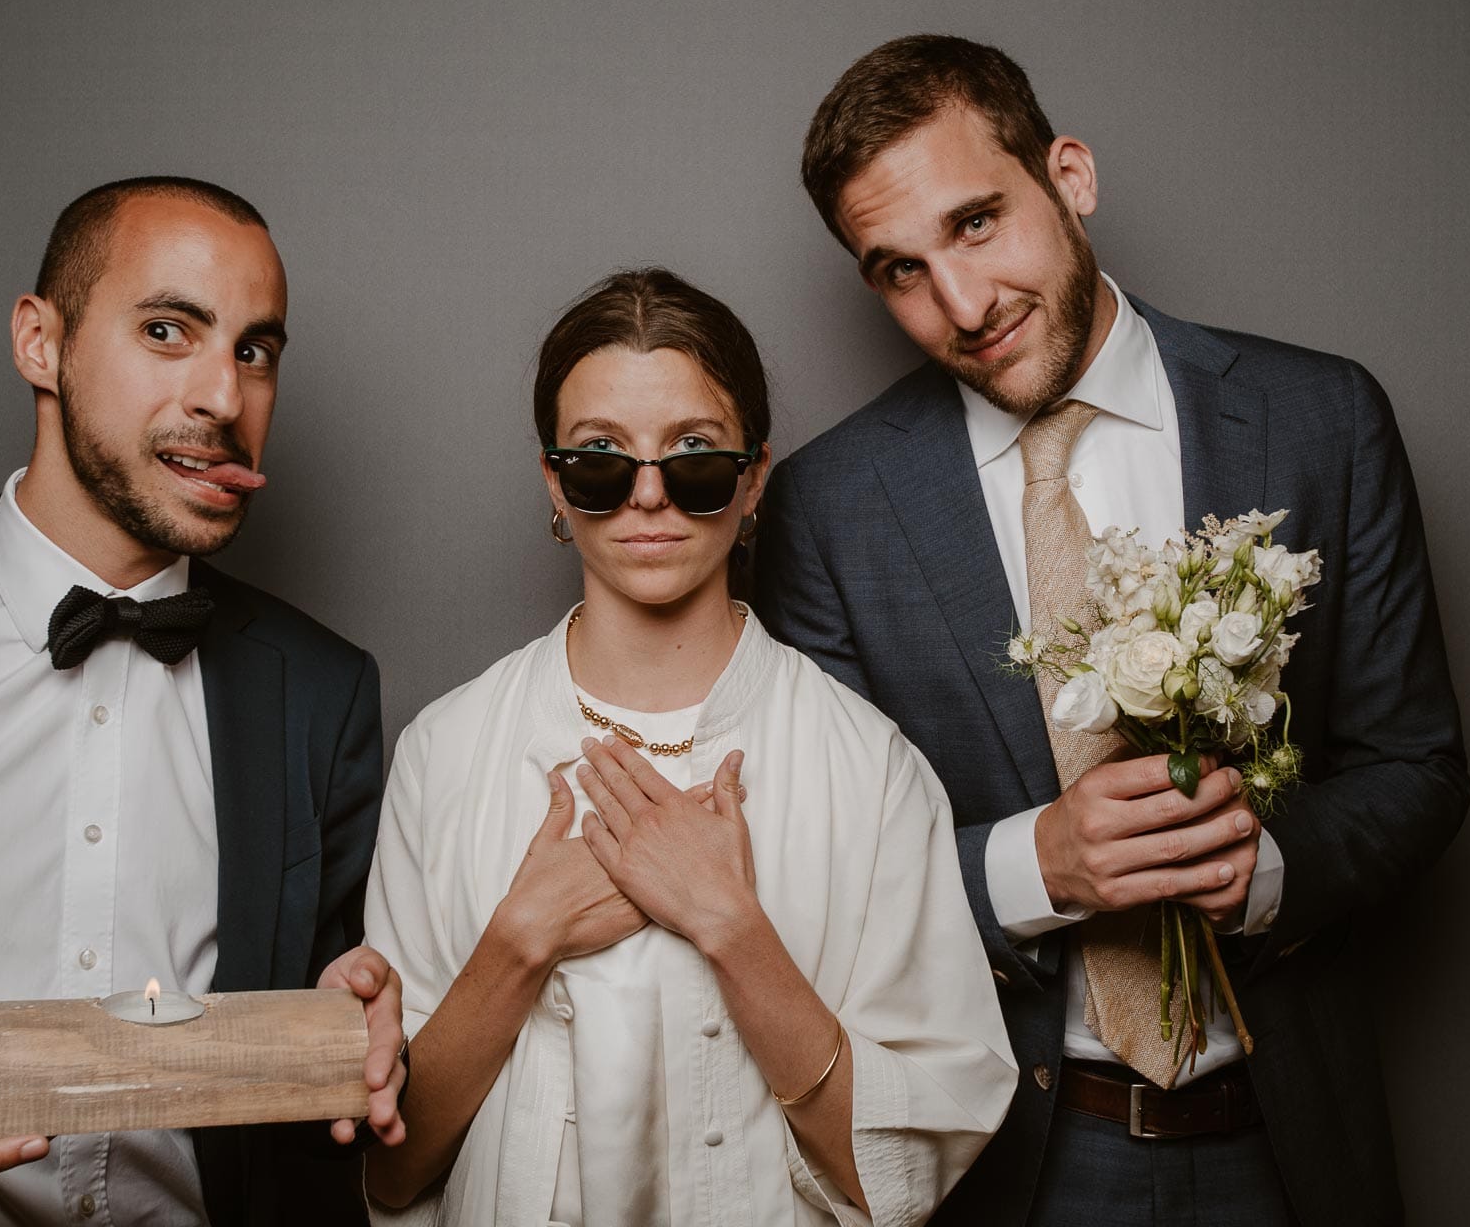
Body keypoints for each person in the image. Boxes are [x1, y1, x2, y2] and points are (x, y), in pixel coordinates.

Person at [753, 35, 1470, 1226]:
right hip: (1014, 1157)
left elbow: (1418, 767)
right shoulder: (832, 507)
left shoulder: (1318, 419)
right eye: (900, 270)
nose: (963, 305)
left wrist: (1264, 868)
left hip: (1284, 1142)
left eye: (976, 222)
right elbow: (819, 870)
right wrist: (1034, 864)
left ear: (1069, 176)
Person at [0, 176, 407, 1225]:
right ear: (38, 341)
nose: (222, 397)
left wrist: (365, 1036)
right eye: (168, 330)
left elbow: (328, 1063)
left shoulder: (324, 691)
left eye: (254, 351)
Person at [360, 268, 1015, 1225]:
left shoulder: (870, 769)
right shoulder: (444, 752)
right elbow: (392, 1170)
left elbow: (901, 1180)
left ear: (753, 479)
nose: (649, 496)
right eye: (600, 458)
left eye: (695, 455)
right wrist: (519, 941)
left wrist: (731, 928)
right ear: (553, 482)